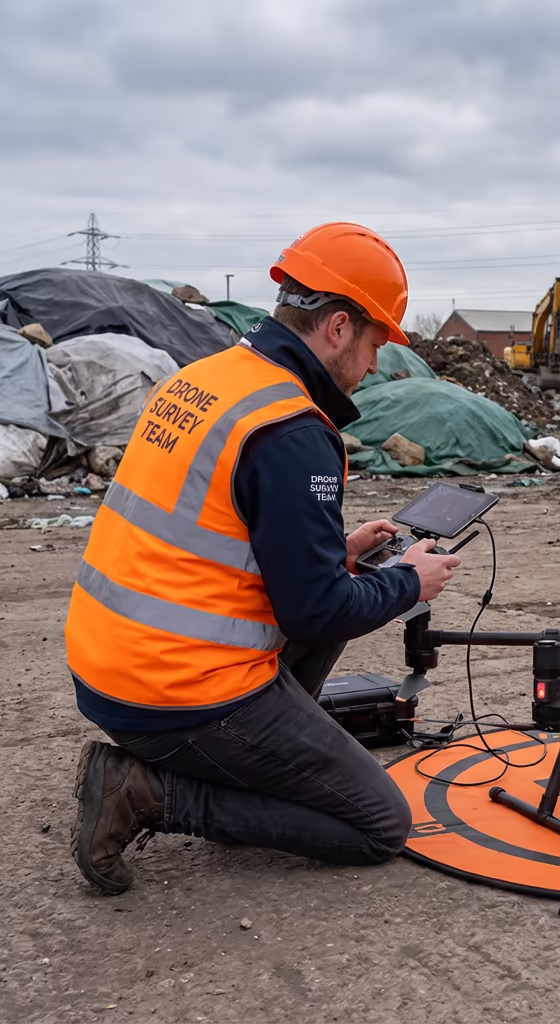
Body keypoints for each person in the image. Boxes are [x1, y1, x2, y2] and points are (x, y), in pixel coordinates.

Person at [66, 222, 461, 894]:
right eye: (374, 344)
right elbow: (314, 613)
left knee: (341, 576)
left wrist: (336, 552)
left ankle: (245, 758)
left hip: (112, 665)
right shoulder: (290, 429)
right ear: (338, 328)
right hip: (174, 692)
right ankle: (147, 793)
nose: (373, 367)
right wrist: (408, 585)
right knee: (378, 824)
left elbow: (207, 536)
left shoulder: (207, 381)